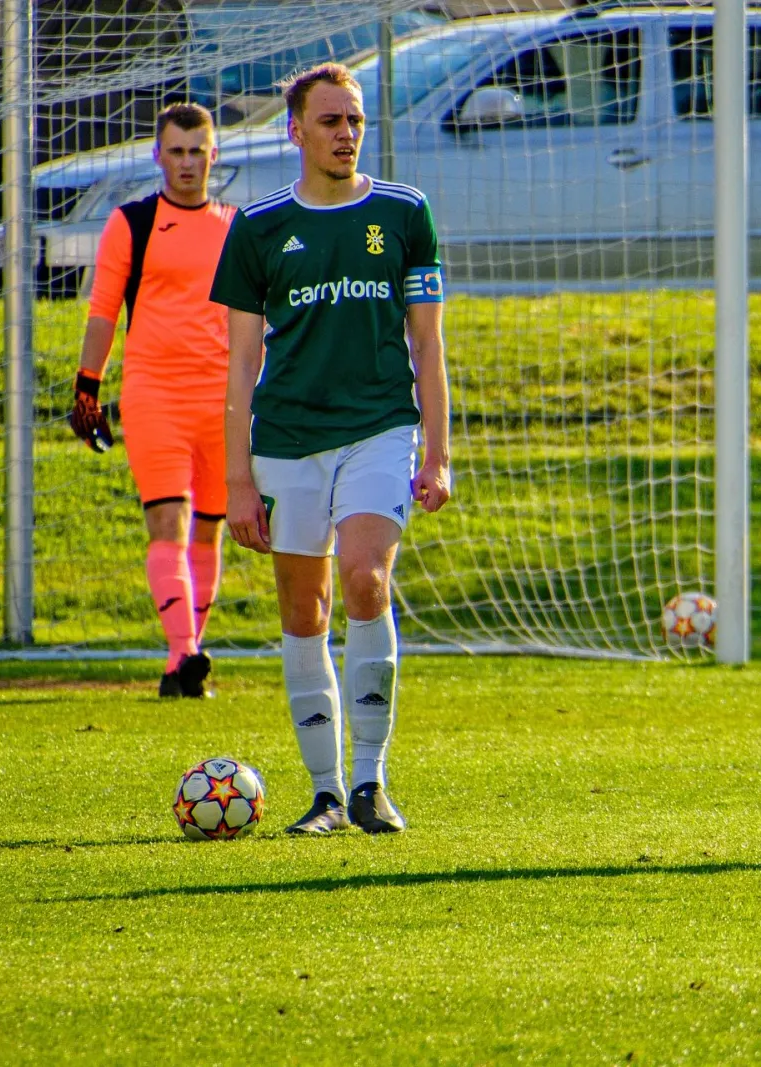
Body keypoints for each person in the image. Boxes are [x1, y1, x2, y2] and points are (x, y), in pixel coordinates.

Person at [209, 63, 452, 836]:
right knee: (302, 606)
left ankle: (371, 782)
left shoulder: (404, 213)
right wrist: (237, 480)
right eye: (330, 121)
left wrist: (438, 453)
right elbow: (240, 364)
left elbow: (428, 345)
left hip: (380, 427)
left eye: (355, 120)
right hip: (287, 441)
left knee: (365, 576)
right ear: (296, 131)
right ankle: (326, 794)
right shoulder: (258, 228)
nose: (346, 134)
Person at [70, 102, 234, 698]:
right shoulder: (132, 222)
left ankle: (180, 670)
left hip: (223, 402)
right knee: (168, 521)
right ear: (157, 155)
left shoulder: (236, 226)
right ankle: (184, 651)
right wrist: (87, 386)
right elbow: (102, 311)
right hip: (154, 395)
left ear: (214, 155)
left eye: (198, 151)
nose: (187, 163)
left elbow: (256, 319)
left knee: (209, 532)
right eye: (177, 151)